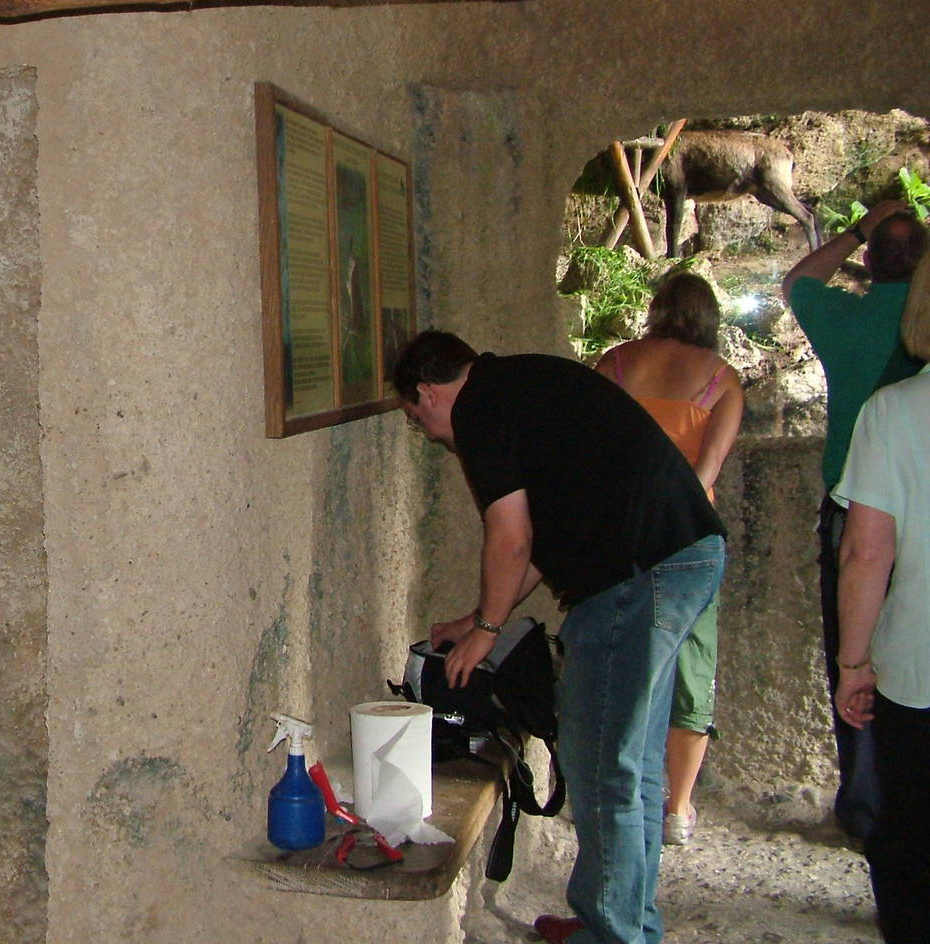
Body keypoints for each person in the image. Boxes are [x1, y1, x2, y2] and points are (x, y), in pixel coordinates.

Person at [394, 332, 725, 944]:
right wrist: (478, 618)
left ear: (427, 393)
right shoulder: (522, 383)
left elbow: (510, 536)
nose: (431, 434)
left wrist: (488, 633)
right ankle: (624, 918)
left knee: (600, 763)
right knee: (633, 763)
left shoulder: (480, 411)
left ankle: (614, 932)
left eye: (418, 420)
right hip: (683, 555)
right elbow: (544, 545)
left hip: (639, 575)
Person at [782, 199, 927, 838]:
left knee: (857, 658)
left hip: (854, 509)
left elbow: (797, 282)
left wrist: (853, 228)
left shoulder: (846, 317)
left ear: (868, 264)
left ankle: (869, 806)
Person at [595, 271, 744, 847]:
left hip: (619, 533)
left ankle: (618, 788)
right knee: (690, 667)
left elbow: (590, 451)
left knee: (620, 665)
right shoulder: (722, 381)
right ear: (709, 317)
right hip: (686, 540)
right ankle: (676, 808)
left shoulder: (617, 364)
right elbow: (706, 473)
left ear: (656, 309)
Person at [830, 251, 930, 943]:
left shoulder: (895, 413)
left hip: (920, 667)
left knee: (914, 849)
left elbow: (866, 552)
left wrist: (853, 663)